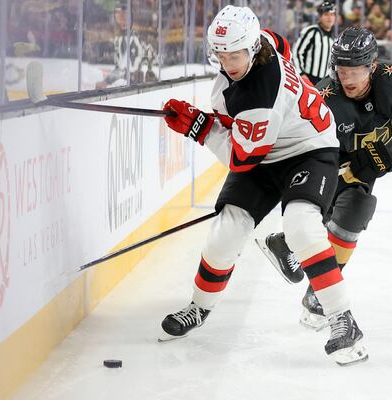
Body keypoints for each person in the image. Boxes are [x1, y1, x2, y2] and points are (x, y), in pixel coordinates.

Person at [158, 5, 368, 366]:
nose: (228, 62)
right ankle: (199, 306)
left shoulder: (259, 97)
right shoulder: (266, 41)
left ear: (252, 49)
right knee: (226, 232)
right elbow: (283, 45)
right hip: (265, 148)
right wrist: (216, 121)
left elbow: (241, 159)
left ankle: (343, 320)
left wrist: (201, 128)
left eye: (235, 53)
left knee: (301, 227)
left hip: (308, 150)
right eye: (221, 54)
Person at [258, 27, 392, 330]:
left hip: (371, 163)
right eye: (341, 70)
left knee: (356, 206)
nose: (347, 79)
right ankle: (310, 276)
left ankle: (297, 259)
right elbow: (308, 152)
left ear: (373, 66)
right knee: (354, 207)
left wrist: (389, 157)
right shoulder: (326, 98)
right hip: (331, 159)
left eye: (355, 70)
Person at [291, 1, 337, 85]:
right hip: (308, 78)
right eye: (326, 15)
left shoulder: (334, 38)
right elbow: (296, 52)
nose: (330, 18)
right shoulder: (311, 32)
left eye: (332, 15)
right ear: (319, 17)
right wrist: (301, 73)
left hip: (324, 82)